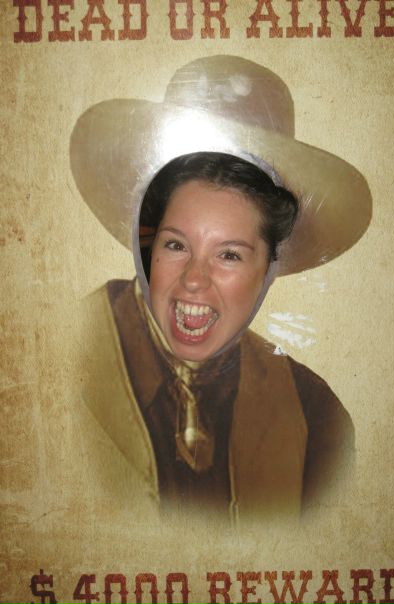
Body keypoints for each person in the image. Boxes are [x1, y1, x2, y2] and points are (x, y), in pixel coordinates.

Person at [70, 55, 372, 525]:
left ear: (270, 267)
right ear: (145, 242)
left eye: (229, 254)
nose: (194, 279)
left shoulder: (318, 422)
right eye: (176, 245)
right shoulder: (48, 366)